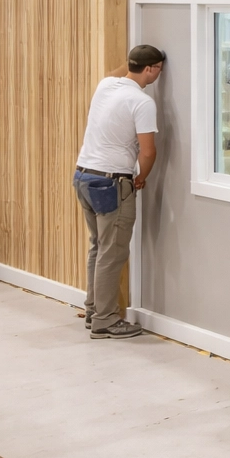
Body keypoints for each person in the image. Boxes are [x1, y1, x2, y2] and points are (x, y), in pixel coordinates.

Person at [74, 45, 166, 339]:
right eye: (158, 69)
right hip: (112, 182)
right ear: (150, 69)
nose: (159, 74)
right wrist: (141, 178)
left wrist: (137, 57)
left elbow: (118, 71)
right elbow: (148, 152)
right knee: (112, 253)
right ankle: (105, 320)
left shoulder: (106, 85)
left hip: (84, 176)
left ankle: (93, 310)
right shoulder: (142, 102)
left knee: (98, 247)